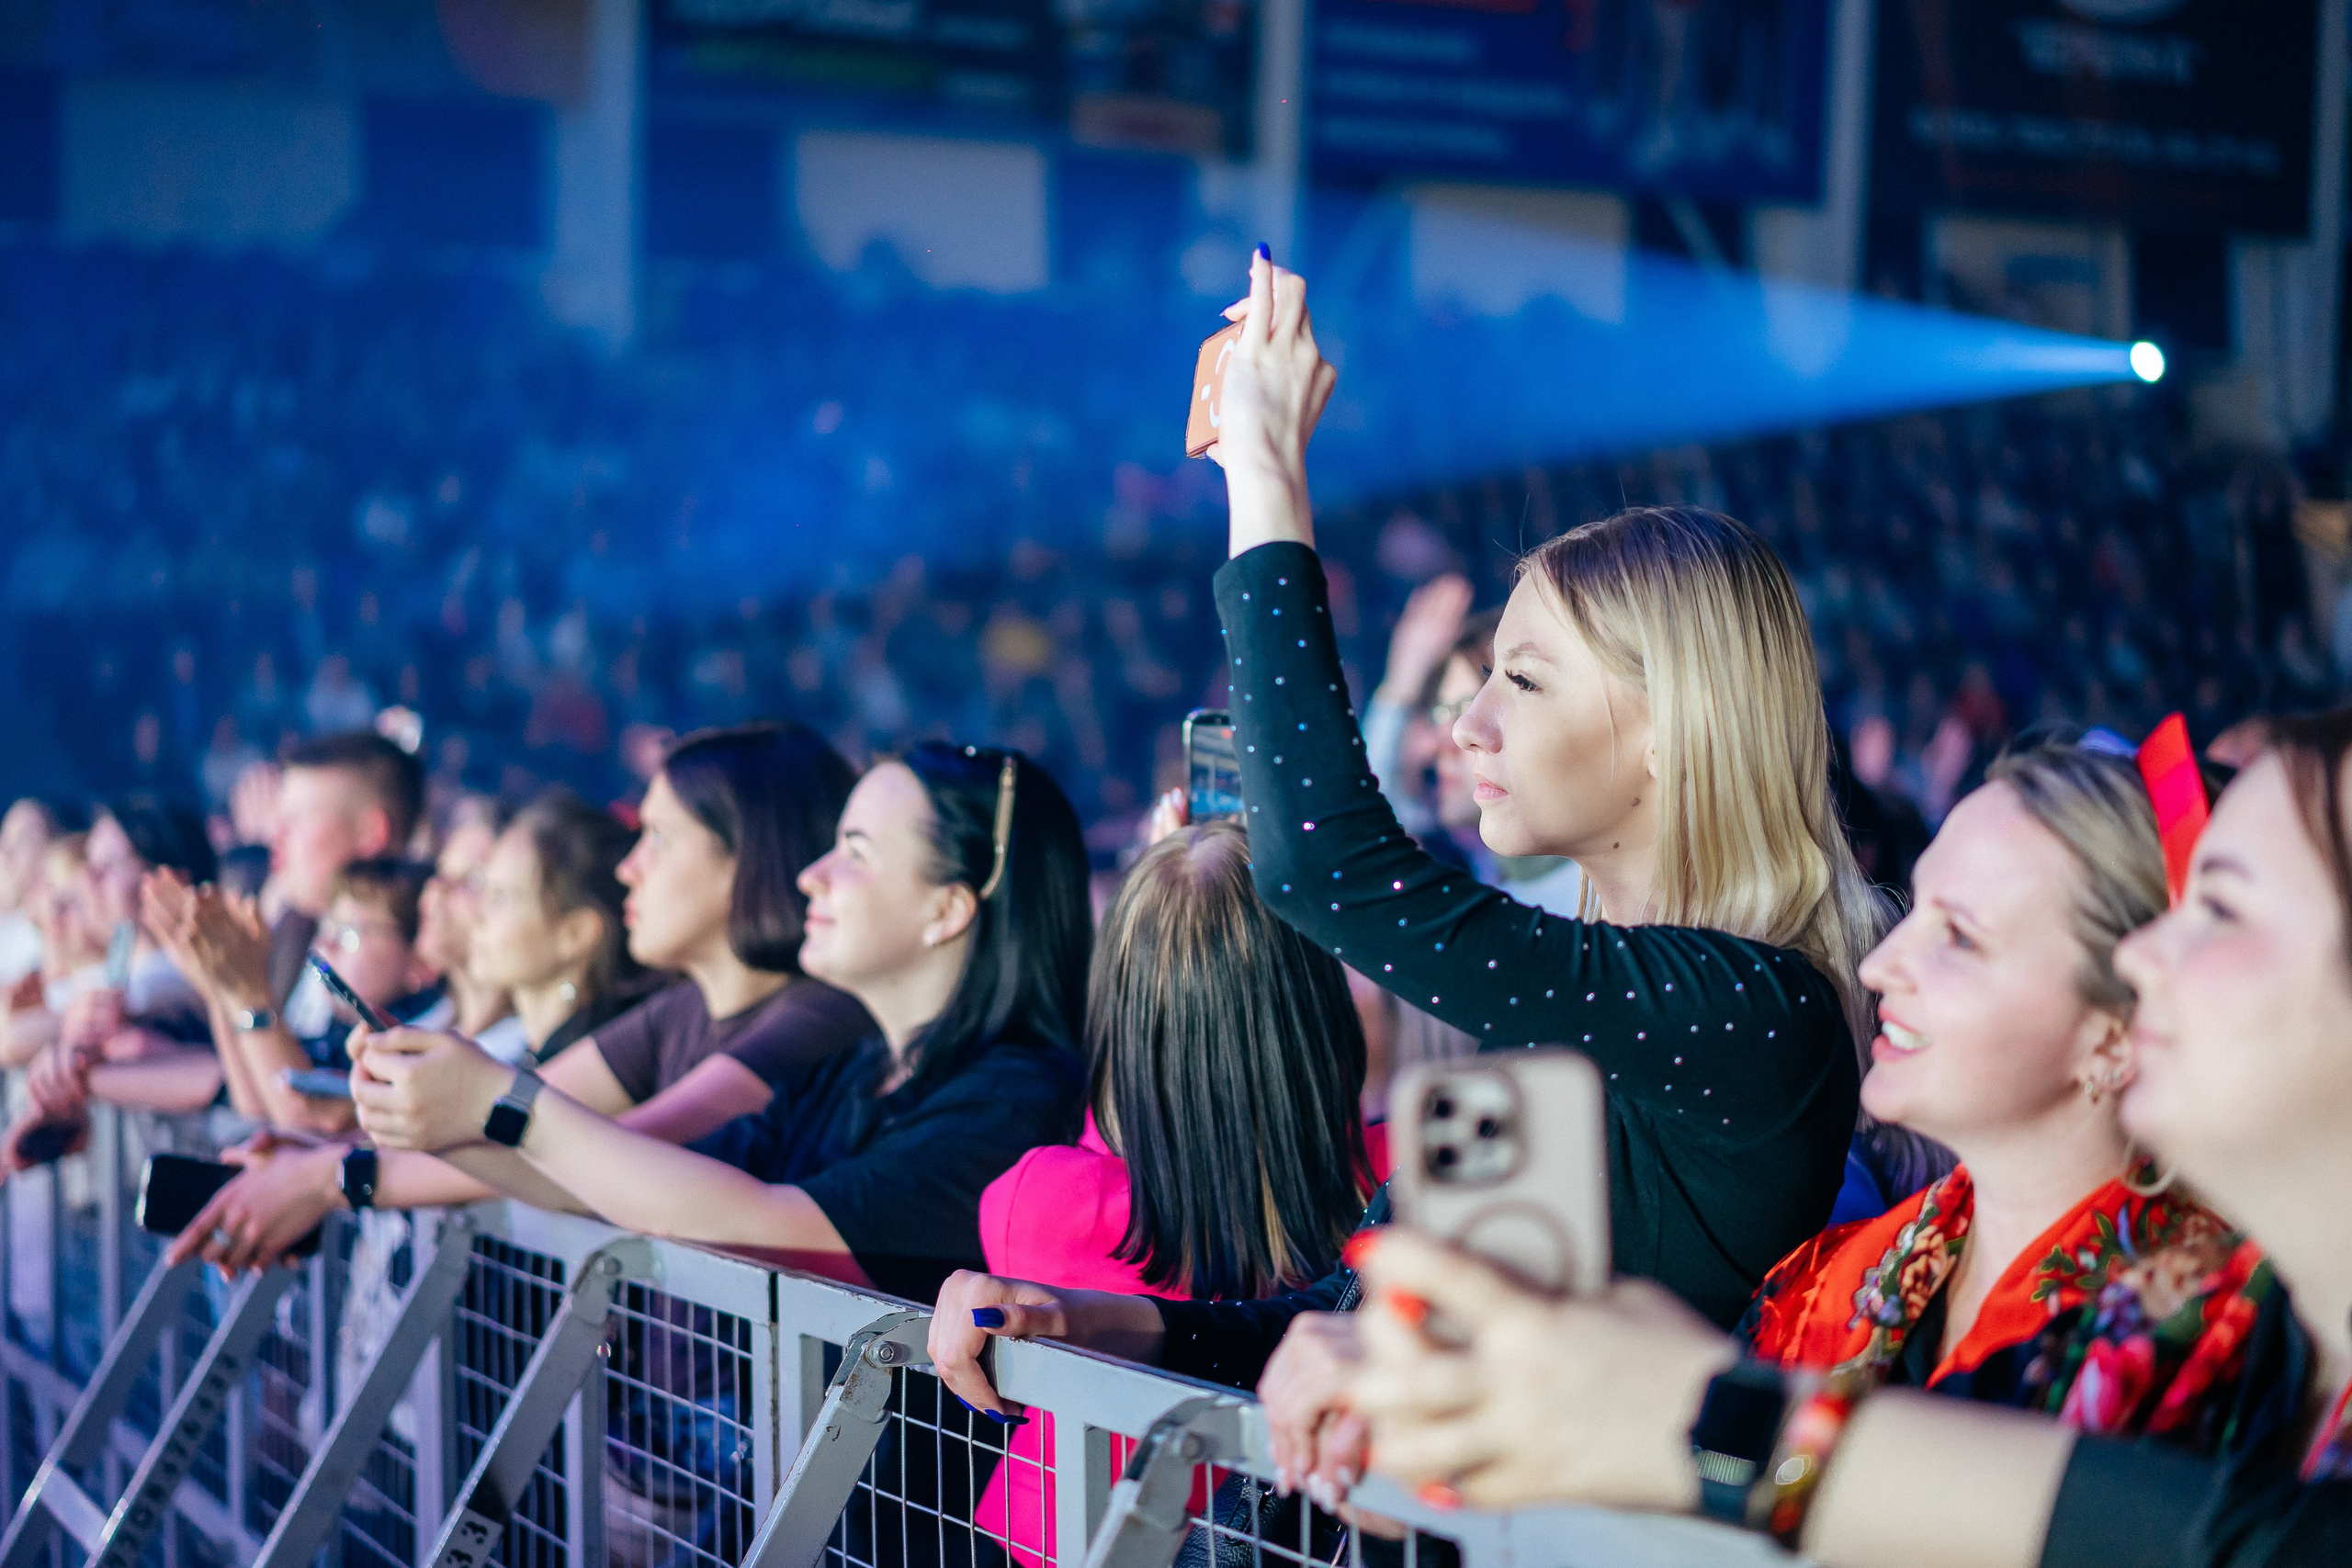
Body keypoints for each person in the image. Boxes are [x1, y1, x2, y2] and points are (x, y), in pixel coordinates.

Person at [928, 254, 1883, 1520]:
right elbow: (1333, 1316)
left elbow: (1326, 865)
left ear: (1673, 730)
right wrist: (1091, 1316)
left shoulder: (1755, 1013)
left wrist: (1266, 469)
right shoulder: (1580, 1013)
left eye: (1525, 680)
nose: (1468, 724)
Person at [1340, 708, 2352, 1568]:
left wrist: (1701, 1414)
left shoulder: (2195, 1339)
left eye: (2218, 909)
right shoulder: (1871, 1288)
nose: (2148, 958)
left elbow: (2225, 1542)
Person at [347, 741, 1091, 1301]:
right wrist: (434, 1120)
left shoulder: (1010, 1099)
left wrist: (498, 1104)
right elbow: (616, 1184)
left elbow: (764, 1224)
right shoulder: (856, 1064)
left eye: (855, 854)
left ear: (947, 909)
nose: (812, 874)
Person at [173, 724, 874, 1274]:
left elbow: (620, 1147)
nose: (632, 866)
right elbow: (528, 1117)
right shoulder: (684, 1008)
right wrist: (326, 1156)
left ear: (745, 860)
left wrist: (337, 1172)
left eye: (658, 839)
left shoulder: (816, 1015)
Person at [1742, 742, 2256, 1438]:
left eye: (1957, 936)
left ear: (2115, 1032)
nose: (1881, 964)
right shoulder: (1820, 1287)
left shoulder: (2217, 1354)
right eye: (1916, 908)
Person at [957, 819, 1377, 1563]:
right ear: (1317, 1008)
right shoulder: (1393, 1179)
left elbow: (1114, 1136)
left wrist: (1167, 895)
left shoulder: (1044, 1197)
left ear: (1120, 1010)